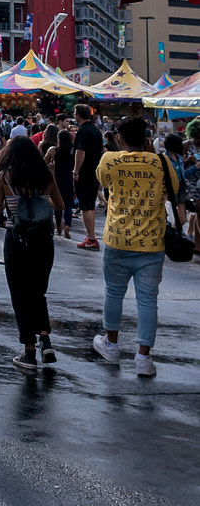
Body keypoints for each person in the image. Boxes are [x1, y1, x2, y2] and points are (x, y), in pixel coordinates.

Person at [93, 114, 182, 376]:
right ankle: (143, 358)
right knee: (147, 301)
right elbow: (173, 189)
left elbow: (103, 182)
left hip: (117, 240)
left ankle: (111, 344)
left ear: (119, 138)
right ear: (146, 137)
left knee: (113, 293)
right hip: (152, 244)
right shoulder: (161, 162)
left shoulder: (109, 160)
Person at [0, 133, 61, 371]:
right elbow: (59, 205)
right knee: (38, 291)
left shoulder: (4, 177)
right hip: (43, 239)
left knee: (20, 295)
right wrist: (43, 202)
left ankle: (29, 352)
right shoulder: (45, 175)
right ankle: (46, 340)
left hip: (16, 239)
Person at [73, 103, 105, 250]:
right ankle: (91, 236)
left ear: (78, 115)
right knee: (90, 205)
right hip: (95, 171)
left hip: (85, 173)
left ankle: (91, 238)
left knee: (85, 206)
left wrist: (76, 171)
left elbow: (80, 152)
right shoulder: (96, 130)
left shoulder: (83, 131)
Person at [48, 127, 76, 238]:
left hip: (57, 180)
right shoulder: (72, 150)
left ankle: (59, 227)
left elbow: (44, 161)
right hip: (69, 179)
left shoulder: (53, 150)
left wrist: (50, 165)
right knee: (68, 204)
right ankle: (68, 225)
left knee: (58, 205)